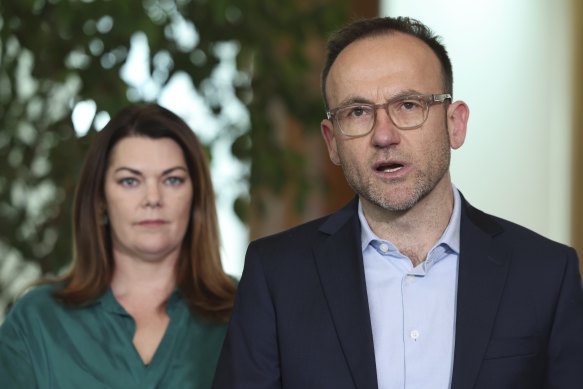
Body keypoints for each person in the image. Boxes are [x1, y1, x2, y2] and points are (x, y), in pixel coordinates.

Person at [212, 16, 583, 389]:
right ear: (331, 142)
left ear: (455, 124)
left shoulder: (546, 273)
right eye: (357, 112)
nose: (384, 135)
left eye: (407, 105)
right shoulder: (276, 276)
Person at [0, 103, 236, 388]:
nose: (152, 197)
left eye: (172, 179)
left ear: (196, 197)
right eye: (130, 181)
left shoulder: (246, 308)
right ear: (100, 201)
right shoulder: (38, 319)